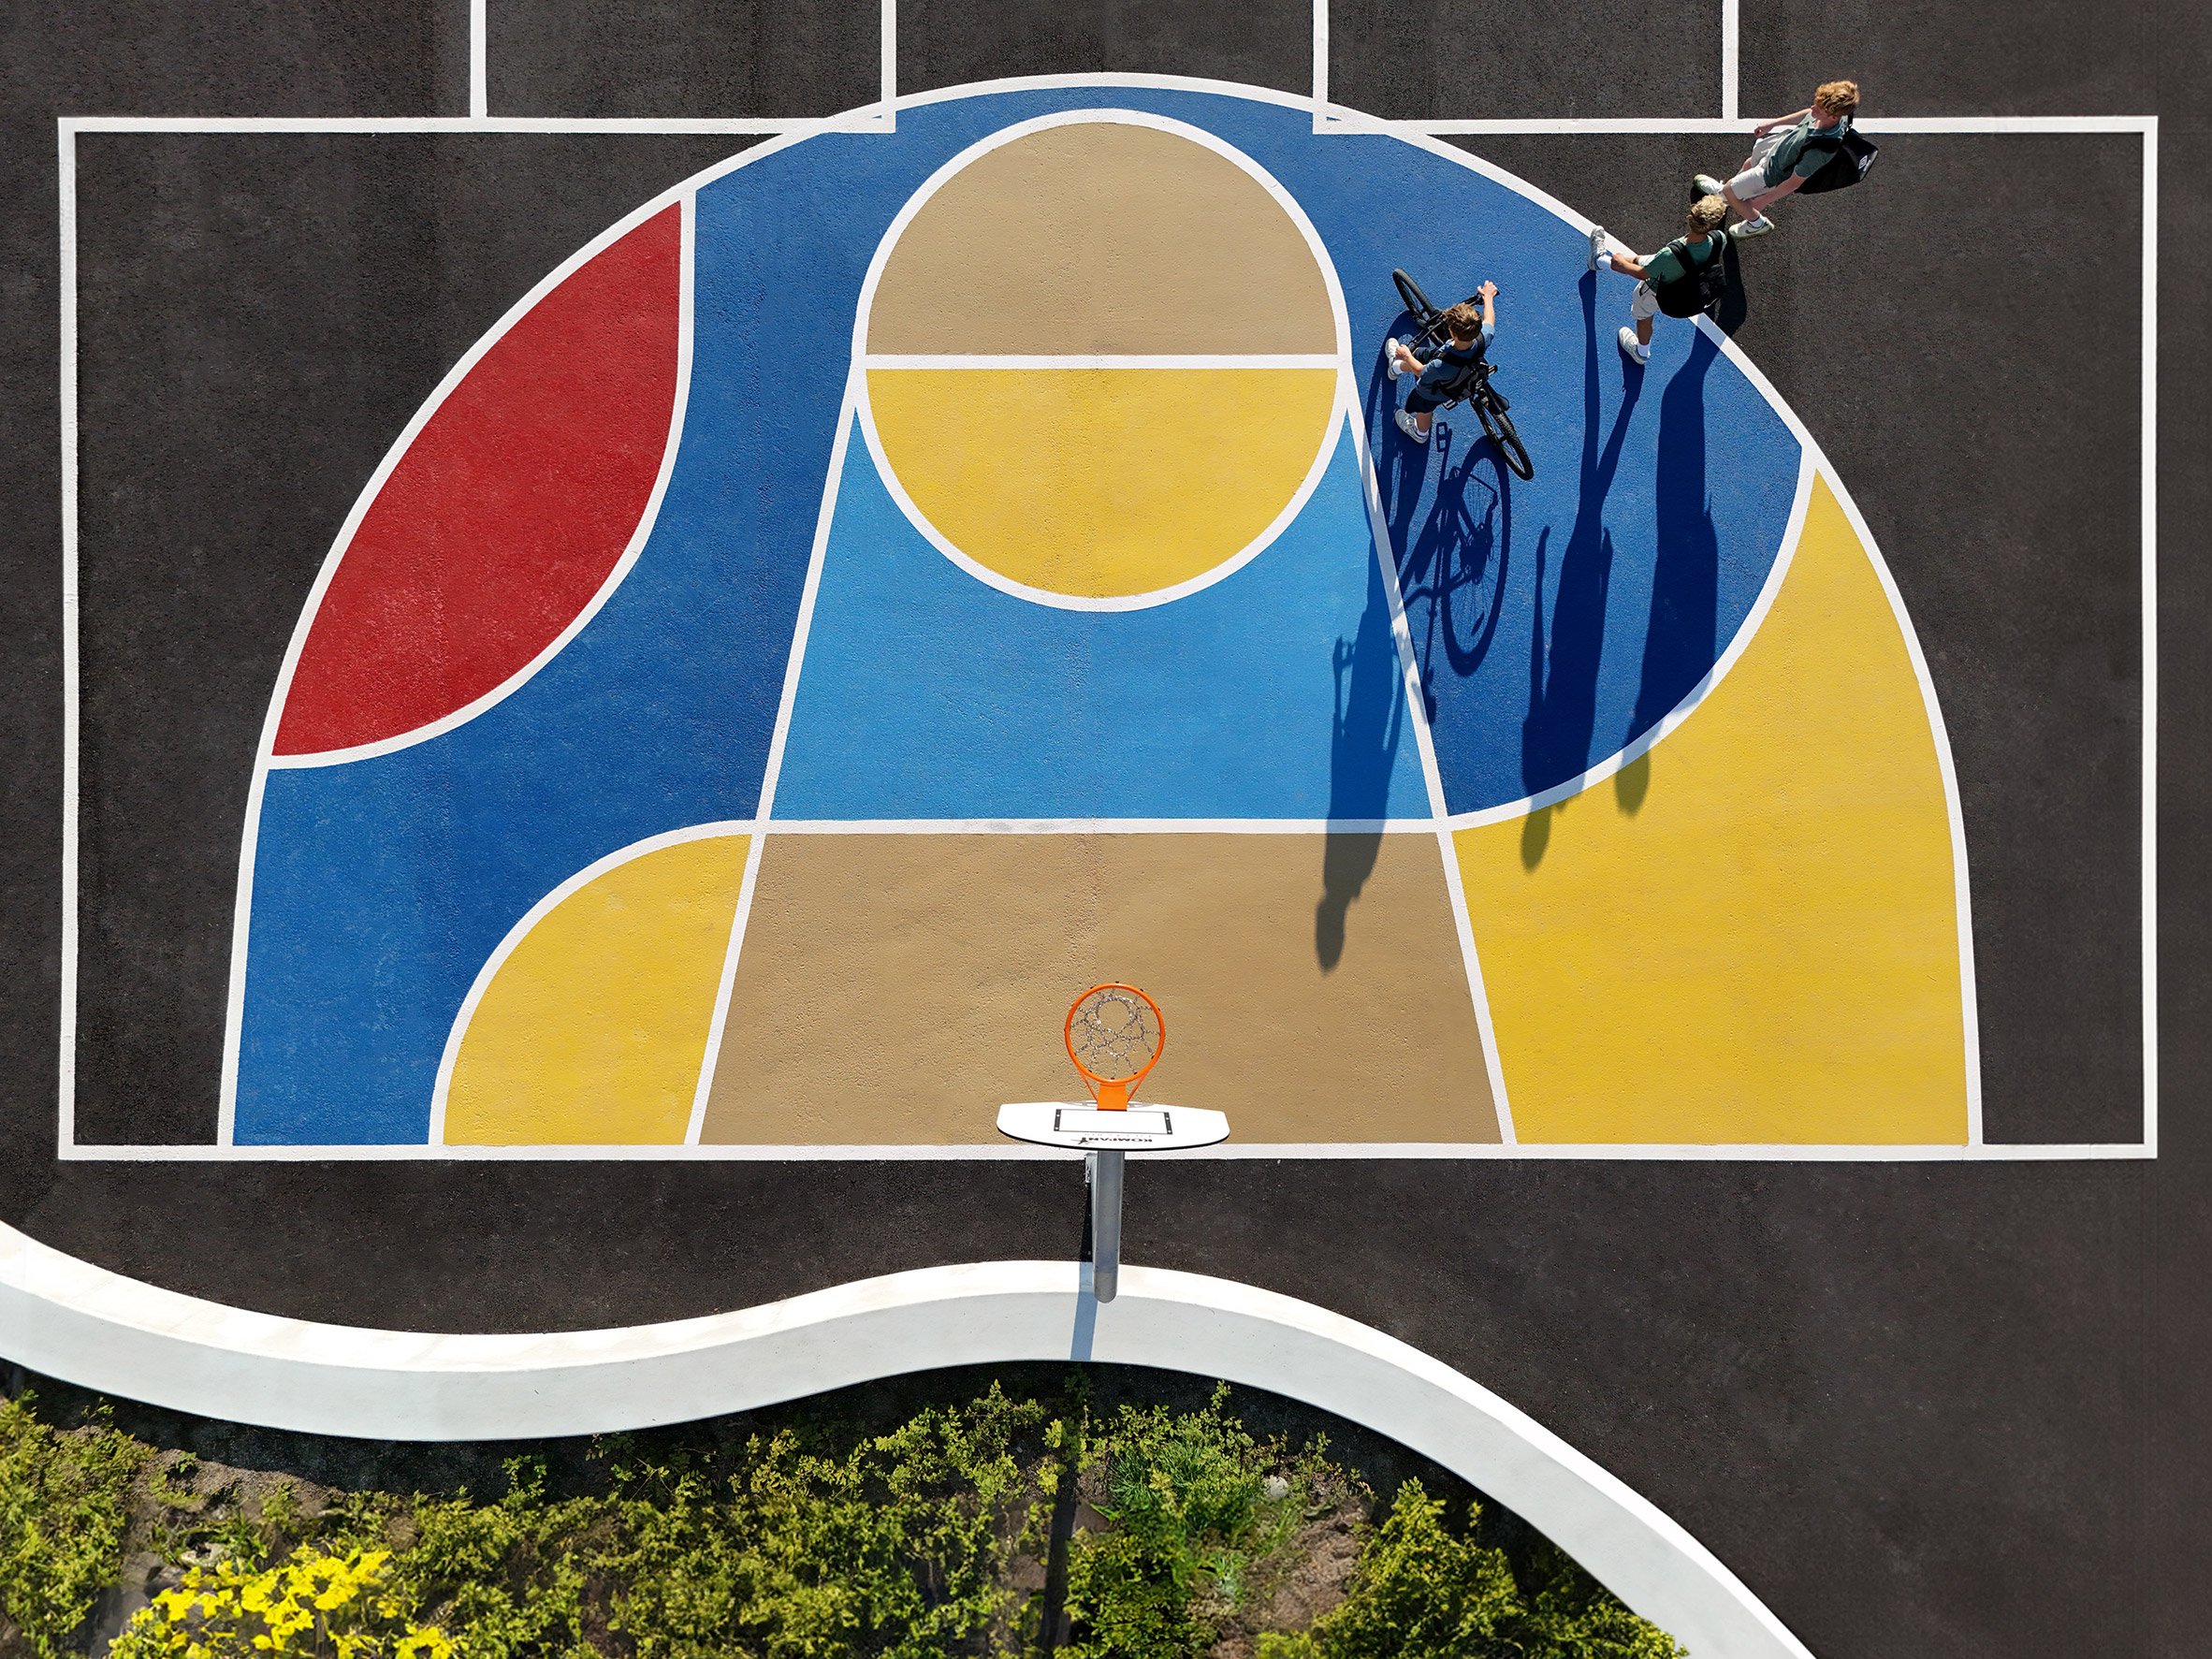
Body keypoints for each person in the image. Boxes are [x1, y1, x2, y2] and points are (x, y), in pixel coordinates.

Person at [1695, 79, 1859, 240]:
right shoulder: (1833, 113)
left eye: (1819, 109)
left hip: (1771, 174)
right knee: (1748, 164)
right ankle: (1728, 196)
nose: (1812, 108)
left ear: (1833, 118)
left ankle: (1756, 223)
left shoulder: (1820, 150)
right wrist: (1773, 123)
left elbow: (1794, 182)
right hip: (1778, 150)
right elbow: (1807, 115)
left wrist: (1763, 201)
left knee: (1731, 190)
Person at [1586, 196, 1729, 365]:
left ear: (1690, 217)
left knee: (1644, 315)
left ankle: (1641, 352)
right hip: (1688, 284)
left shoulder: (1669, 255)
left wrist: (1622, 264)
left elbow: (1642, 273)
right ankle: (1599, 261)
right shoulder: (1719, 239)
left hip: (1659, 290)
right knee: (1640, 259)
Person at [1385, 283, 1496, 444]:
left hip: (1433, 392)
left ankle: (1420, 433)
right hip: (1464, 372)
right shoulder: (1483, 338)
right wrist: (1488, 298)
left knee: (1424, 409)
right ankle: (1395, 368)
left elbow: (1421, 371)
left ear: (1452, 333)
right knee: (1421, 354)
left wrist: (1407, 356)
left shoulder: (1439, 365)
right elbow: (1490, 320)